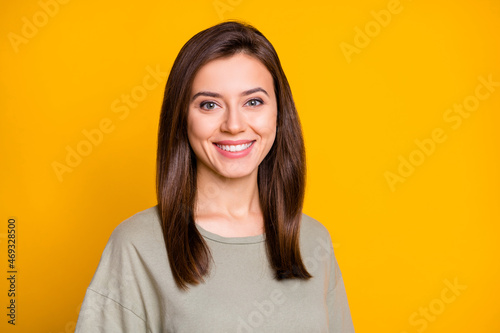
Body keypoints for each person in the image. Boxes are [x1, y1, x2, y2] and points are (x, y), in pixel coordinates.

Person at [75, 20, 355, 332]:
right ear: (183, 117)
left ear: (279, 111)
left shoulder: (313, 241)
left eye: (253, 101)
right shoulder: (137, 245)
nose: (234, 124)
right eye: (209, 105)